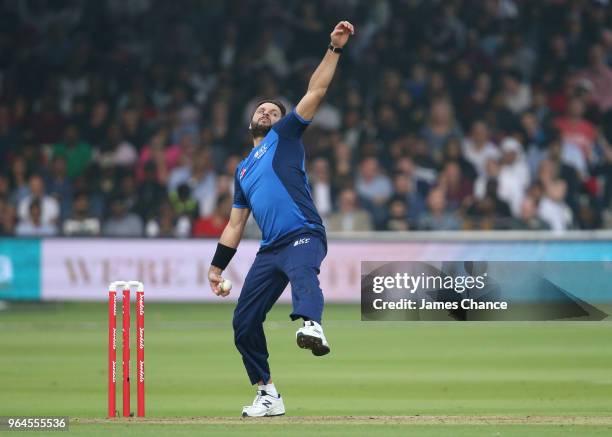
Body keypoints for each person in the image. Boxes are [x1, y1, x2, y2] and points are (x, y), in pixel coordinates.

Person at [207, 21, 354, 417]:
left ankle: (312, 325)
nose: (268, 111)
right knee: (243, 322)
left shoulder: (284, 137)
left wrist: (334, 49)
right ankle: (268, 393)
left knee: (304, 271)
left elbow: (317, 90)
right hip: (270, 248)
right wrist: (217, 268)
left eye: (275, 110)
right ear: (250, 121)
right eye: (262, 109)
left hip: (304, 232)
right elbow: (235, 225)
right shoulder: (241, 170)